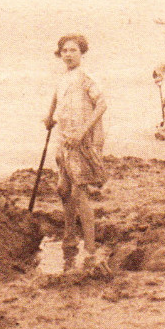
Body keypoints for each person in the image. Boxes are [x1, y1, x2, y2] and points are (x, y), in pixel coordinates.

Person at [44, 34, 109, 274]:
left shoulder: (86, 78)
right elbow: (55, 99)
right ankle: (69, 237)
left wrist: (83, 131)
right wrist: (49, 117)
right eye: (64, 51)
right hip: (64, 141)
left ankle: (91, 250)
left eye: (72, 50)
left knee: (79, 194)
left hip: (81, 142)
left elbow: (101, 105)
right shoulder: (62, 79)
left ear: (81, 52)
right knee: (63, 189)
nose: (68, 54)